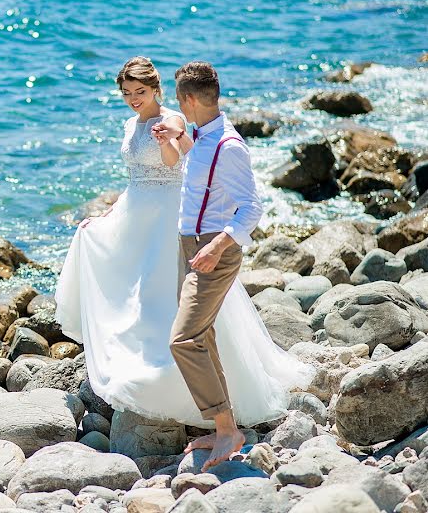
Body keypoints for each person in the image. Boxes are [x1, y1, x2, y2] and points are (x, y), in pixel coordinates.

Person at [55, 57, 313, 469]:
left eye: (141, 92)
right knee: (170, 312)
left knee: (182, 327)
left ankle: (221, 421)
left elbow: (191, 169)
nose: (133, 100)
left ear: (167, 94)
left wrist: (169, 145)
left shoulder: (211, 137)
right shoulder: (171, 128)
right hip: (152, 216)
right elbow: (161, 173)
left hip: (184, 227)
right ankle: (218, 418)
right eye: (126, 94)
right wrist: (108, 216)